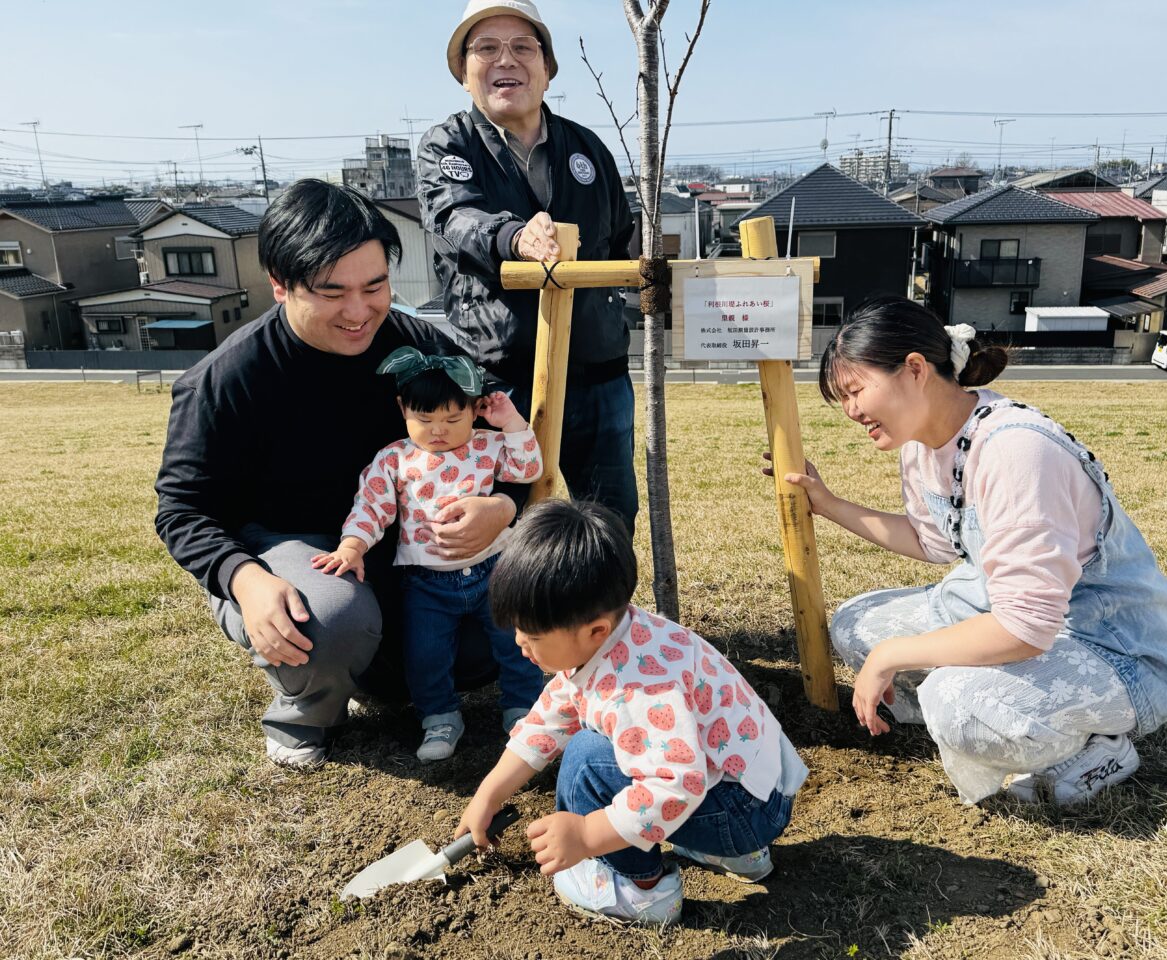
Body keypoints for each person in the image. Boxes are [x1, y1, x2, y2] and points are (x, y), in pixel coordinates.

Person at [771, 296, 1167, 806]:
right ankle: (985, 708)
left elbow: (1028, 625)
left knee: (956, 702)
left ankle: (1088, 751)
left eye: (856, 390)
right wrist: (831, 505)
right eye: (841, 398)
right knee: (855, 625)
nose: (850, 410)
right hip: (1002, 605)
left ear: (913, 369)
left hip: (1107, 641)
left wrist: (894, 657)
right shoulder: (922, 443)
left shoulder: (1016, 448)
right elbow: (933, 540)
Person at [154, 180, 519, 770]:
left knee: (510, 605)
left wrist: (503, 507)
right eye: (331, 292)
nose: (359, 312)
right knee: (330, 617)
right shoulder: (227, 378)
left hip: (407, 545)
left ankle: (388, 669)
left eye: (375, 287)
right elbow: (181, 509)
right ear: (280, 283)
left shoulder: (417, 346)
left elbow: (504, 427)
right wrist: (243, 580)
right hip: (289, 548)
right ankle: (305, 713)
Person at [454, 500, 808, 925]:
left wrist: (586, 835)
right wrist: (488, 795)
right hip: (753, 794)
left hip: (739, 811)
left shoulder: (640, 688)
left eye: (531, 636)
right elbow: (546, 721)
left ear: (594, 630)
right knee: (590, 741)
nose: (518, 644)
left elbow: (678, 784)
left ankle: (642, 889)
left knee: (586, 758)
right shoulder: (624, 637)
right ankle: (738, 854)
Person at [419, 0, 639, 534]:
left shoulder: (586, 146)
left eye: (523, 47)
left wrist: (622, 314)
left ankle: (603, 618)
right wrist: (515, 237)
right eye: (486, 48)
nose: (506, 60)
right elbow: (456, 216)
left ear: (546, 68)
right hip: (501, 375)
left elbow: (620, 240)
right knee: (500, 516)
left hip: (599, 367)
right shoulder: (447, 145)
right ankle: (510, 621)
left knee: (609, 517)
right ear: (463, 72)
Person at [311, 347, 545, 762]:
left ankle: (524, 708)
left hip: (495, 570)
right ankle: (439, 717)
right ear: (403, 409)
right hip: (425, 582)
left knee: (516, 642)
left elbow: (527, 470)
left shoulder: (489, 446)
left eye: (453, 419)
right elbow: (371, 508)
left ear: (474, 410)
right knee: (425, 654)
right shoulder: (395, 459)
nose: (439, 430)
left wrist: (511, 422)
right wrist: (353, 544)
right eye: (425, 419)